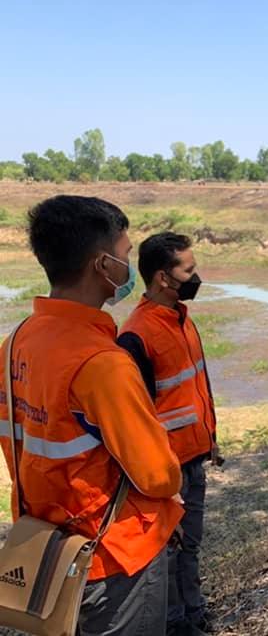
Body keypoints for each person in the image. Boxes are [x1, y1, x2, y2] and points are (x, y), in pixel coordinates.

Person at [0, 195, 183, 635]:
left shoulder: (15, 344)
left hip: (50, 549)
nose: (127, 267)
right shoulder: (102, 362)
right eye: (123, 255)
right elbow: (159, 476)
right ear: (102, 266)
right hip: (115, 556)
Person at [118, 233, 218, 636]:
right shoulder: (135, 336)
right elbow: (135, 418)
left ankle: (194, 613)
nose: (196, 276)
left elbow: (195, 385)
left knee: (189, 546)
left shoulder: (181, 317)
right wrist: (163, 482)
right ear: (163, 277)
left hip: (194, 458)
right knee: (168, 552)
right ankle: (176, 624)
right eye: (189, 270)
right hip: (166, 472)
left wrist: (211, 439)